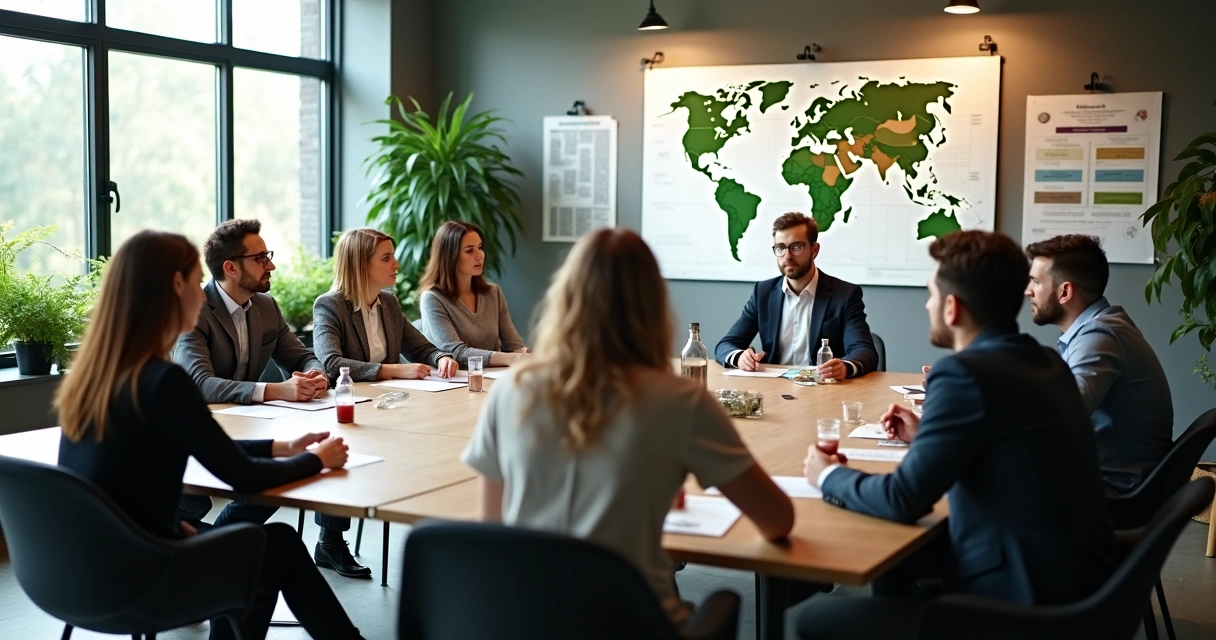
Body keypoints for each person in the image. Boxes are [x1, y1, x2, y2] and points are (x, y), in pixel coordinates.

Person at [461, 229, 794, 626]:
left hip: (518, 621)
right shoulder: (681, 401)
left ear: (565, 299)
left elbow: (492, 531)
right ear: (652, 306)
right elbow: (777, 521)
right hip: (634, 623)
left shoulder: (512, 390)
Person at [797, 231, 1116, 640]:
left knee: (815, 621)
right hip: (1085, 587)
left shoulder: (963, 373)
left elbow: (902, 500)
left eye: (931, 294)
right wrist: (926, 435)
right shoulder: (1045, 360)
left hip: (1022, 605)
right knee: (898, 564)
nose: (927, 304)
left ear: (951, 308)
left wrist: (825, 475)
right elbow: (1000, 443)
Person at [55, 230, 363, 640]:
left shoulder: (100, 375)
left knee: (262, 548)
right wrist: (316, 461)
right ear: (175, 286)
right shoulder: (165, 381)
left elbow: (188, 444)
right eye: (196, 279)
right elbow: (245, 479)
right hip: (142, 573)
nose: (203, 295)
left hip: (83, 569)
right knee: (277, 544)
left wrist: (278, 446)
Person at [170, 220, 365, 578]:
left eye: (268, 256)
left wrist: (314, 375)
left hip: (249, 426)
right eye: (261, 258)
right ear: (231, 267)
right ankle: (223, 553)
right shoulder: (196, 310)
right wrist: (275, 390)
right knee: (274, 483)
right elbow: (199, 383)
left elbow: (300, 355)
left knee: (319, 448)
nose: (271, 265)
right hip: (201, 432)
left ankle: (322, 540)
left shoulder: (265, 305)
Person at [1026, 234, 1174, 494]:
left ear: (1064, 292)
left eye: (1036, 282)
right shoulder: (1098, 328)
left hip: (1114, 487)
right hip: (1109, 475)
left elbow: (1060, 414)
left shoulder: (1100, 335)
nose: (1028, 291)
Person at [715, 212, 878, 379]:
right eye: (781, 248)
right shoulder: (763, 293)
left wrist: (844, 367)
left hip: (823, 390)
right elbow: (726, 345)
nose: (788, 256)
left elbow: (864, 351)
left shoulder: (845, 295)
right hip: (775, 390)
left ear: (814, 250)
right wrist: (740, 357)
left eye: (796, 247)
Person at [313, 227, 458, 382]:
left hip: (391, 396)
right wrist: (395, 370)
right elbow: (332, 364)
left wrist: (441, 358)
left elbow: (421, 348)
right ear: (361, 265)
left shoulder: (389, 302)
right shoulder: (329, 305)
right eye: (386, 258)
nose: (396, 264)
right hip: (351, 399)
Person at [418, 220, 528, 367]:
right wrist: (512, 358)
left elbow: (513, 345)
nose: (480, 255)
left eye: (480, 247)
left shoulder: (493, 293)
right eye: (470, 250)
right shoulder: (432, 298)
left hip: (492, 378)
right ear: (450, 256)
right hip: (454, 383)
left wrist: (523, 353)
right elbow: (456, 353)